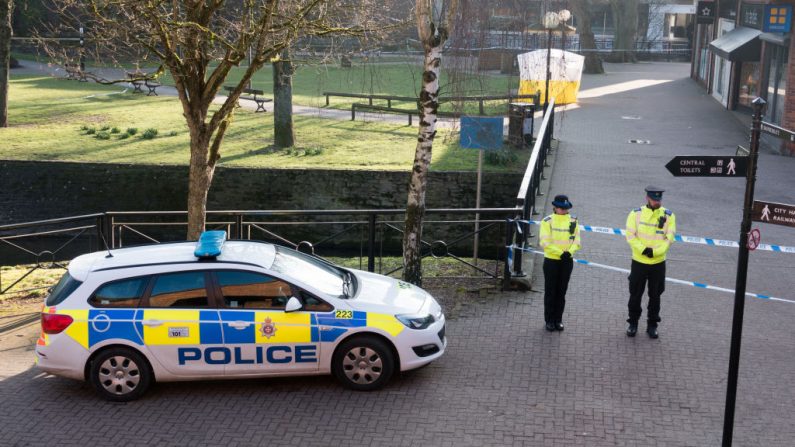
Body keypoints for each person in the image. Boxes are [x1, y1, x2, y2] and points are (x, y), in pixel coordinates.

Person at [625, 186, 676, 339]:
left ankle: (652, 325)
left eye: (659, 200)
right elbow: (630, 235)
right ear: (647, 198)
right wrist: (643, 250)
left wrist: (655, 252)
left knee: (656, 295)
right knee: (635, 294)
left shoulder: (669, 215)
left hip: (658, 263)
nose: (657, 202)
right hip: (639, 261)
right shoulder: (635, 214)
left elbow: (669, 238)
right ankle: (633, 323)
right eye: (654, 200)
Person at [539, 194, 581, 332]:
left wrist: (570, 252)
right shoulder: (547, 221)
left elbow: (577, 241)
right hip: (552, 261)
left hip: (566, 261)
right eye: (561, 208)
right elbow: (545, 242)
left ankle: (558, 319)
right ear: (555, 207)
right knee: (550, 291)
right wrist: (560, 253)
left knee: (561, 292)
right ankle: (549, 320)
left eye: (565, 208)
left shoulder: (574, 221)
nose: (564, 211)